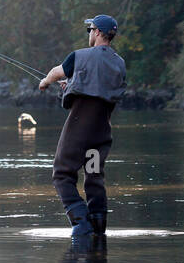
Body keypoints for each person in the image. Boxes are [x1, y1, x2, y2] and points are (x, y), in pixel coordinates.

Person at [38, 15, 126, 242]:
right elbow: (101, 89)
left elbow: (57, 72)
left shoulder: (79, 56)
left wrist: (45, 82)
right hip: (102, 133)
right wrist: (72, 86)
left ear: (97, 32)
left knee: (62, 173)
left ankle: (81, 222)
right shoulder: (119, 63)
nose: (89, 33)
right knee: (94, 175)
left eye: (90, 29)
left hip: (80, 129)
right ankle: (98, 226)